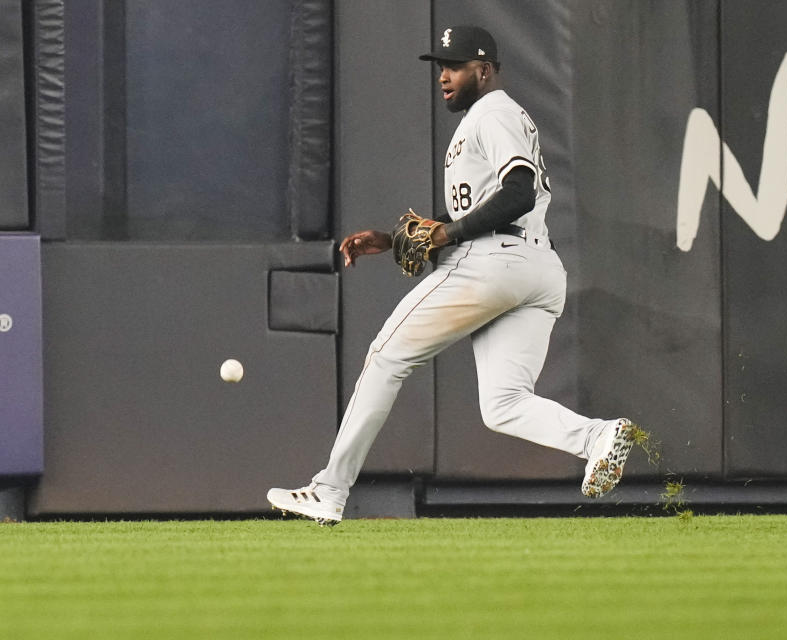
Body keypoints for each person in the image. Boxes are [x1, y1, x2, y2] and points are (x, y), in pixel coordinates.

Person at [268, 25, 652, 525]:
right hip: (535, 270)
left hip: (494, 262)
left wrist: (448, 237)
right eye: (439, 67)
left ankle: (329, 490)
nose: (443, 76)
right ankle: (596, 437)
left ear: (485, 70)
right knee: (504, 404)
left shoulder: (492, 113)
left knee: (386, 357)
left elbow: (520, 191)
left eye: (454, 66)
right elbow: (482, 203)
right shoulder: (493, 117)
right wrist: (392, 238)